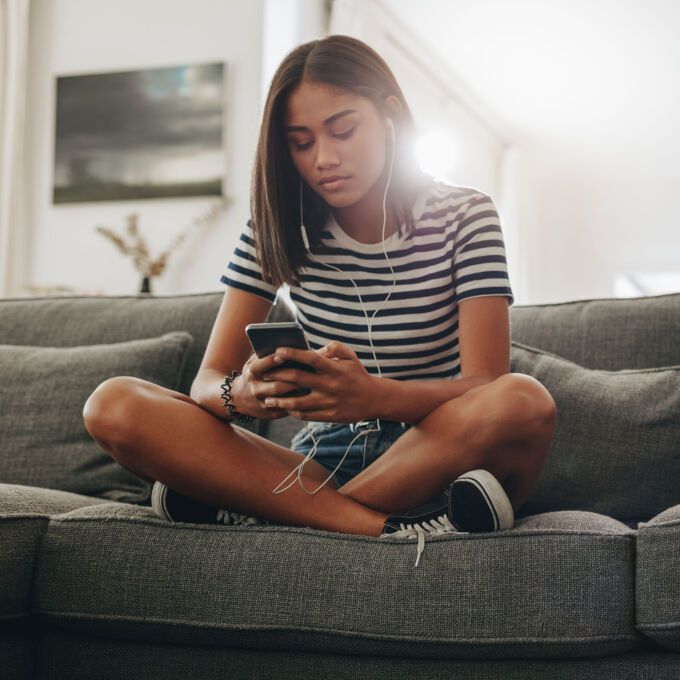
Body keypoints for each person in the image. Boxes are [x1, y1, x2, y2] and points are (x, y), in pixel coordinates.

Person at [83, 36, 556, 564]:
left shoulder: (466, 216)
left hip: (436, 452)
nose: (324, 159)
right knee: (113, 405)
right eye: (301, 142)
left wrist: (371, 397)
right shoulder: (275, 229)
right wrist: (248, 393)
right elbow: (207, 384)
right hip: (323, 458)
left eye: (343, 130)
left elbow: (484, 383)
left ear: (390, 116)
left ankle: (268, 513)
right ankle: (388, 528)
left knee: (523, 399)